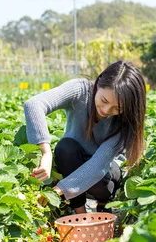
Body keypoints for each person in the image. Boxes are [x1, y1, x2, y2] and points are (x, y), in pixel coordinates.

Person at [24, 60, 147, 214]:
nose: (107, 110)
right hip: (75, 163)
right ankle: (80, 213)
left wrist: (57, 191)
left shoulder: (124, 122)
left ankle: (104, 204)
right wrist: (46, 152)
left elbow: (98, 165)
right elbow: (34, 105)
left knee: (100, 178)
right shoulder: (80, 90)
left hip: (105, 177)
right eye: (104, 100)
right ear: (98, 83)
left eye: (118, 108)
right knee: (65, 148)